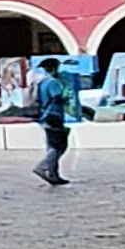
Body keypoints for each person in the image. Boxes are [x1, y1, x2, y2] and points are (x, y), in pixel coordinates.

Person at [29, 45, 77, 186]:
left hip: (44, 116)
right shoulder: (53, 82)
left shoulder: (42, 82)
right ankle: (42, 167)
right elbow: (57, 98)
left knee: (51, 145)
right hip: (54, 116)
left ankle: (54, 174)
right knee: (59, 146)